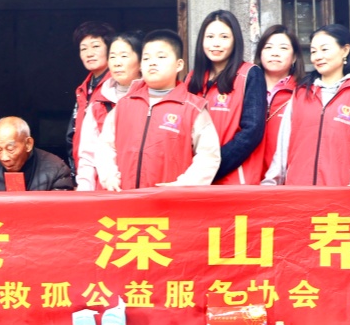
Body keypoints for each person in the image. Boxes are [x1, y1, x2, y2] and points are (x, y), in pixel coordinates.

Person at [261, 24, 350, 187]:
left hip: (343, 194)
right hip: (298, 193)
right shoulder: (300, 94)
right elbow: (282, 151)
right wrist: (269, 185)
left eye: (324, 49)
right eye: (313, 51)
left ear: (345, 50)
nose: (317, 57)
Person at [96, 29, 220, 190]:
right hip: (125, 199)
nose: (152, 62)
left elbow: (209, 156)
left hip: (169, 201)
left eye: (161, 57)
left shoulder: (193, 109)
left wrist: (184, 185)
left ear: (179, 65)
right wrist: (109, 176)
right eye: (147, 58)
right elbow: (105, 147)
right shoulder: (124, 105)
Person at [187, 11, 267, 185]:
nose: (216, 43)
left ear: (235, 40)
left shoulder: (250, 74)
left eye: (224, 37)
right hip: (192, 179)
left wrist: (210, 169)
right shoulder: (192, 78)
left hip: (233, 180)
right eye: (210, 37)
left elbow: (251, 133)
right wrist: (195, 172)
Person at [75, 31, 143, 191]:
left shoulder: (152, 100)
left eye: (124, 56)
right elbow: (88, 155)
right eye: (112, 57)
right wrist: (85, 191)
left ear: (141, 61)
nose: (117, 63)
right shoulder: (98, 104)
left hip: (143, 189)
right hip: (107, 190)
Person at [244, 25, 305, 184]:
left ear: (294, 57)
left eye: (283, 48)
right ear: (260, 53)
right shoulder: (243, 88)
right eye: (268, 47)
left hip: (284, 184)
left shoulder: (303, 94)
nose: (275, 53)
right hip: (244, 181)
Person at [0, 116, 75, 191]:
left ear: (28, 144)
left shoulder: (56, 169)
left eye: (10, 149)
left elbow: (60, 208)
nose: (4, 158)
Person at [65, 20, 114, 171]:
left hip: (108, 172)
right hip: (85, 171)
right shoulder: (83, 89)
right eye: (83, 48)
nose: (89, 53)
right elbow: (72, 135)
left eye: (96, 46)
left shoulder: (116, 85)